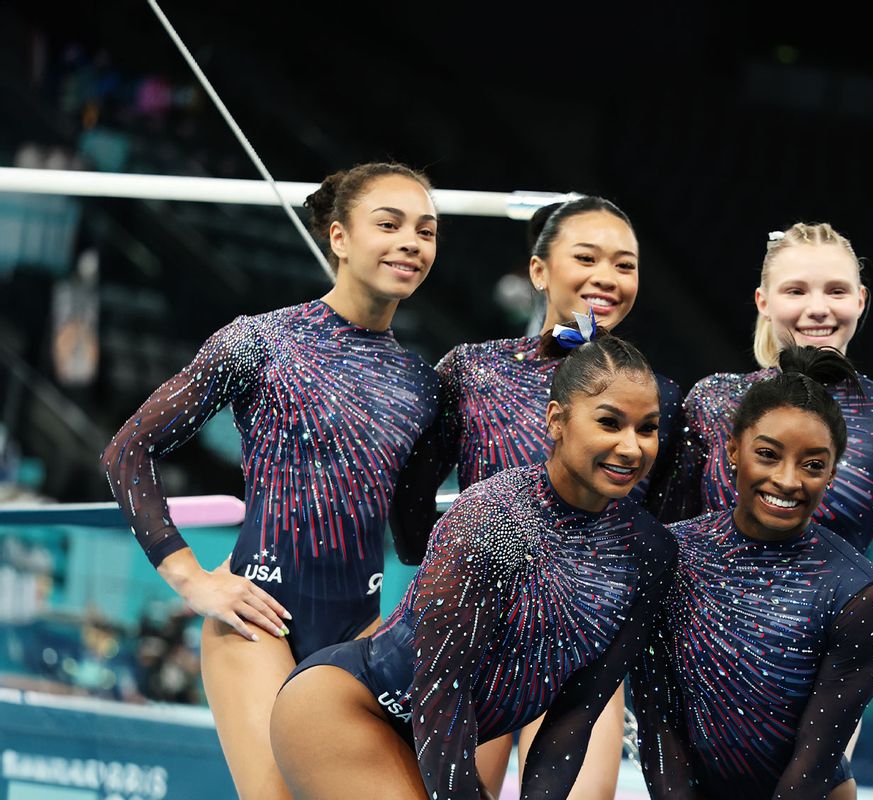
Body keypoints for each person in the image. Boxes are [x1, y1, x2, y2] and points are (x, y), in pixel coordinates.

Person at [101, 162, 441, 798]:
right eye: (388, 224)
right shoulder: (262, 342)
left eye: (425, 231)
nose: (411, 243)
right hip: (257, 622)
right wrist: (191, 579)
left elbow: (412, 532)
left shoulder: (422, 385)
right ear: (339, 237)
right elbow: (128, 452)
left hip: (358, 631)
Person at [659, 222, 873, 798]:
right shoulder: (714, 402)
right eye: (796, 291)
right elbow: (665, 538)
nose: (818, 309)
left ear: (861, 301)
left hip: (815, 682)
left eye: (836, 291)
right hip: (695, 669)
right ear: (764, 301)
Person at [272, 331, 677, 800]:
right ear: (557, 420)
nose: (631, 448)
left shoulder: (648, 551)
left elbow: (578, 709)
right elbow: (440, 689)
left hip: (446, 738)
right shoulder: (494, 518)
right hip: (351, 709)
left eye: (647, 428)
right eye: (610, 423)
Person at [393, 196, 681, 798]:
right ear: (539, 270)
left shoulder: (657, 400)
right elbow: (412, 504)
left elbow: (663, 533)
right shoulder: (473, 373)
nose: (607, 276)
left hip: (584, 644)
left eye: (624, 265)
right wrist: (449, 585)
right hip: (474, 640)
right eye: (586, 257)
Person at [633, 346, 873, 800]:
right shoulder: (669, 555)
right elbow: (658, 723)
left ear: (832, 472)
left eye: (813, 465)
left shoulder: (861, 592)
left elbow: (815, 762)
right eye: (768, 454)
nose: (788, 480)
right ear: (733, 450)